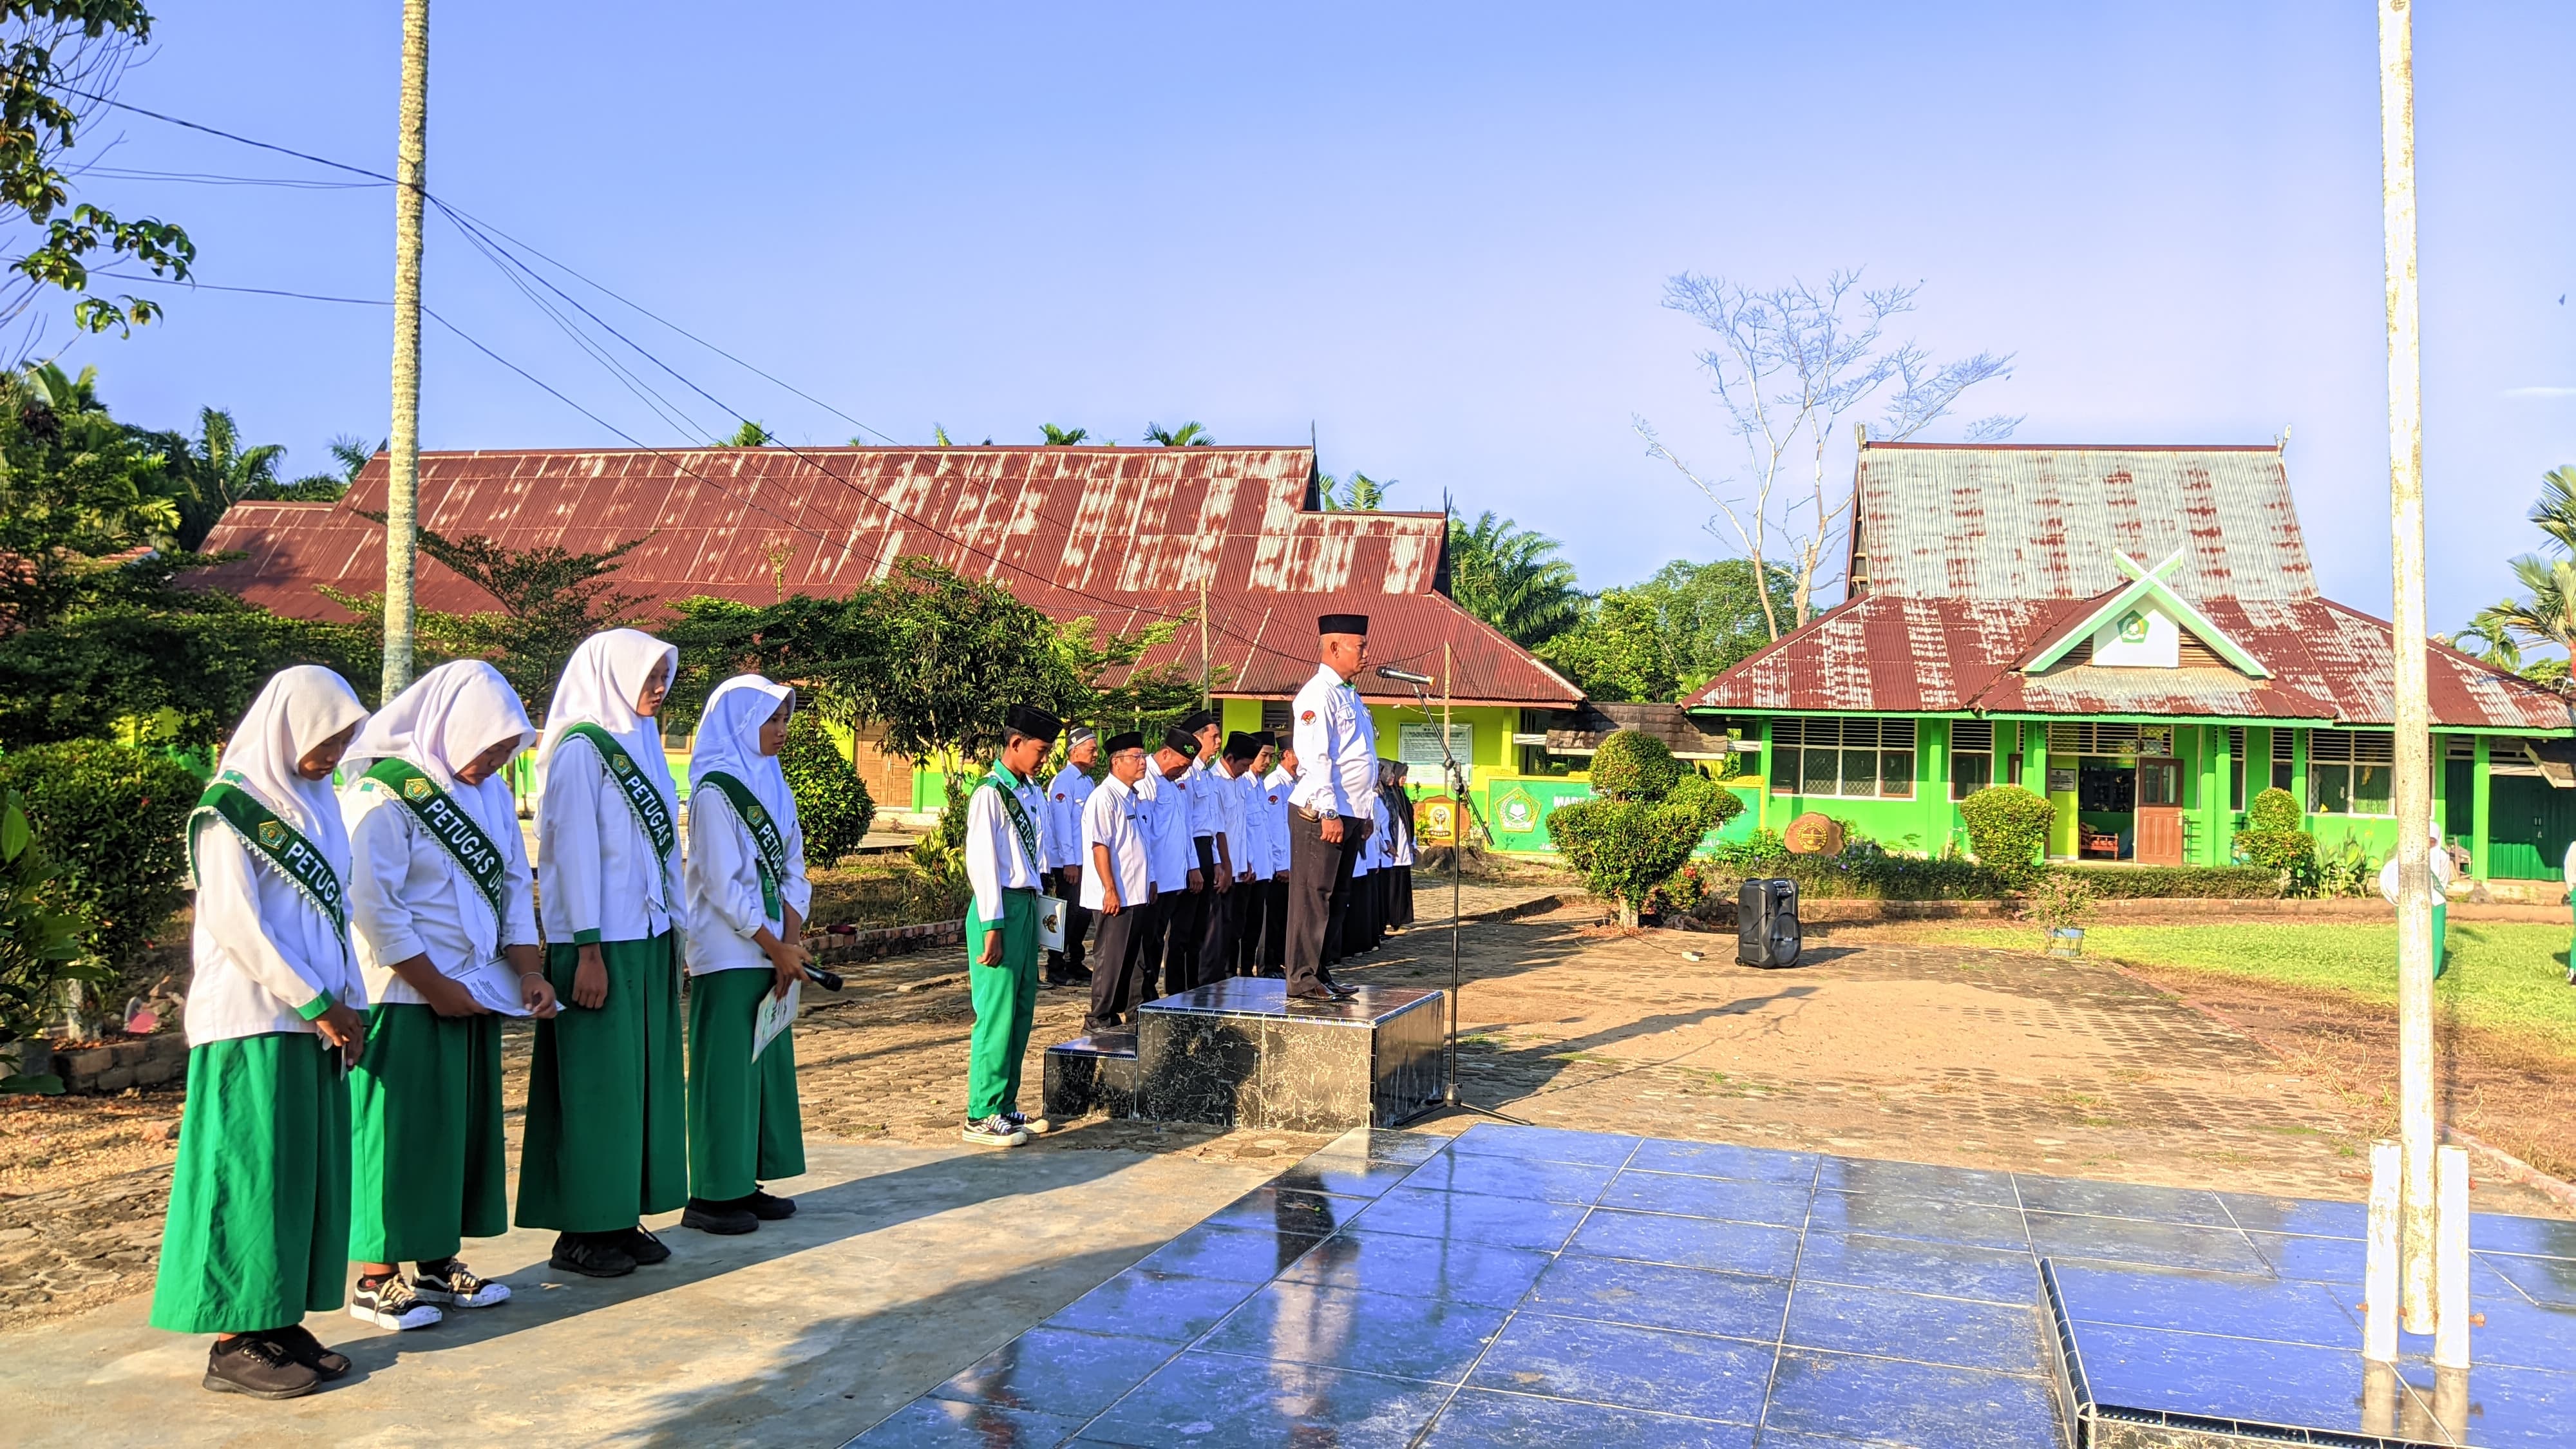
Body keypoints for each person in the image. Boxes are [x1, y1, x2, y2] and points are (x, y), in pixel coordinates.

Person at [151, 667, 370, 1399]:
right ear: (287, 726)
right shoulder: (227, 810)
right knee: (245, 1174)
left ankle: (275, 1319)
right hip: (253, 1019)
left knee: (299, 1177)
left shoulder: (320, 805)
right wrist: (316, 1002)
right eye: (327, 735)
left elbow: (336, 917)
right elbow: (235, 924)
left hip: (313, 1022)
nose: (335, 750)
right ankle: (230, 1339)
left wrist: (353, 1001)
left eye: (345, 737)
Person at [341, 660, 551, 1333]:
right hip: (404, 993)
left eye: (505, 749)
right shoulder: (384, 794)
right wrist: (436, 987)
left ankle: (436, 1261)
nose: (495, 760)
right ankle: (376, 1278)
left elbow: (514, 885)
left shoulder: (487, 793)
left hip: (474, 988)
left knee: (454, 1132)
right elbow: (377, 908)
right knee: (395, 1132)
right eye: (488, 745)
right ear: (452, 729)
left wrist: (528, 971)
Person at [517, 629, 687, 1280]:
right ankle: (582, 1229)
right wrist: (585, 946)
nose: (658, 689)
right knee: (595, 1089)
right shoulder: (580, 751)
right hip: (598, 941)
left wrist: (677, 930)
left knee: (639, 1085)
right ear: (611, 675)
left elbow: (663, 848)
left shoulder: (641, 743)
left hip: (646, 937)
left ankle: (621, 1213)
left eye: (664, 678)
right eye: (647, 677)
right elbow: (568, 855)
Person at [681, 676, 812, 1235]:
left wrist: (792, 939)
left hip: (772, 949)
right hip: (729, 950)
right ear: (739, 722)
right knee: (727, 1072)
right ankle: (712, 1194)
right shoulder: (714, 790)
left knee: (763, 1069)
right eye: (771, 720)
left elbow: (793, 863)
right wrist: (775, 946)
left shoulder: (773, 781)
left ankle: (746, 1180)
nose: (781, 731)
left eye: (785, 720)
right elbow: (721, 883)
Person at [961, 704, 1062, 1146]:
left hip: (1026, 903)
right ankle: (980, 1112)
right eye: (1040, 750)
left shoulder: (1029, 791)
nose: (1043, 759)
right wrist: (992, 925)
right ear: (1015, 744)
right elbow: (982, 862)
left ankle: (1004, 1103)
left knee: (1021, 1009)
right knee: (996, 1012)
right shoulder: (990, 793)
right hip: (997, 907)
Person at [1285, 614, 1376, 1001]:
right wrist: (1329, 811)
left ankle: (1320, 972)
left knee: (1337, 898)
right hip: (1321, 813)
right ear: (1334, 647)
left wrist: (1365, 812)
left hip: (1351, 810)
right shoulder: (1316, 694)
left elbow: (1360, 758)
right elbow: (1316, 757)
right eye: (1360, 646)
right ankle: (1302, 978)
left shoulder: (1349, 693)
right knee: (1313, 895)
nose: (1366, 654)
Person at [1079, 732, 1155, 1032]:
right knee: (1110, 958)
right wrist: (1110, 888)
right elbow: (1100, 846)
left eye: (1144, 756)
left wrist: (1150, 880)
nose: (1143, 763)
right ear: (1116, 762)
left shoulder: (1133, 796)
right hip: (1116, 893)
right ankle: (1098, 1017)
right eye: (1136, 757)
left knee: (1133, 958)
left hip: (1135, 892)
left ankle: (1122, 1013)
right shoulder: (1104, 797)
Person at [1132, 728, 1202, 1003]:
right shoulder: (1145, 780)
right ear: (1164, 753)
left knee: (1158, 941)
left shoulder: (1173, 786)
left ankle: (1151, 993)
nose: (1182, 772)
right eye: (1181, 765)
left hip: (1174, 879)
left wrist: (1192, 867)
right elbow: (1144, 836)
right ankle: (1140, 998)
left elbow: (1186, 830)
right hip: (1155, 880)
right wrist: (1150, 877)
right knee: (1146, 944)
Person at [1165, 710, 1229, 992]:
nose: (1218, 741)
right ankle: (1177, 987)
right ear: (1196, 739)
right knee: (1182, 927)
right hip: (1188, 852)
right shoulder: (1185, 776)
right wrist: (1193, 866)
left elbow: (1211, 825)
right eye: (1213, 736)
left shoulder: (1206, 776)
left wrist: (1215, 861)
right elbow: (1187, 823)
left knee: (1200, 926)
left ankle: (1194, 985)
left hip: (1205, 850)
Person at [1043, 728, 1099, 989]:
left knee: (1082, 914)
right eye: (1092, 750)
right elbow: (1062, 825)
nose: (1096, 755)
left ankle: (1075, 962)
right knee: (1064, 915)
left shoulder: (1087, 782)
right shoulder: (1062, 782)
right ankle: (1056, 966)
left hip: (1086, 862)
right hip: (1069, 863)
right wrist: (1069, 862)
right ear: (1074, 751)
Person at [1229, 734, 1274, 976]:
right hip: (1247, 870)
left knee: (1255, 924)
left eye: (1270, 756)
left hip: (1263, 869)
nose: (1267, 761)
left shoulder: (1261, 785)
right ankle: (1235, 970)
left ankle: (1248, 969)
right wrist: (1248, 862)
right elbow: (1241, 829)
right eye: (1263, 755)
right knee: (1239, 925)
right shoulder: (1242, 784)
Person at [1259, 742, 1296, 976]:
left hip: (1290, 861)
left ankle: (1278, 962)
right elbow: (1276, 827)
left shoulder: (1292, 783)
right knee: (1271, 919)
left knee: (1282, 917)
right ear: (1288, 754)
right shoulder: (1275, 782)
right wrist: (1282, 864)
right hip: (1278, 864)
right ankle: (1267, 965)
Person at [1387, 760, 1418, 930]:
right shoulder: (1389, 796)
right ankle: (1391, 918)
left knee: (1403, 884)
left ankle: (1402, 918)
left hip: (1404, 844)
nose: (1404, 779)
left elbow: (1409, 820)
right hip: (1393, 846)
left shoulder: (1402, 795)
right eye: (1403, 775)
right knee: (1392, 885)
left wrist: (1412, 843)